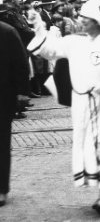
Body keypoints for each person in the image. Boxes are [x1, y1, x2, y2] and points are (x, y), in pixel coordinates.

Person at [27, 0, 100, 214]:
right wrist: (38, 28)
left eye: (86, 17)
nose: (81, 19)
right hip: (82, 104)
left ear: (97, 20)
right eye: (81, 15)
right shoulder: (73, 42)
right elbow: (50, 50)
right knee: (88, 146)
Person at [0, 20, 31, 207]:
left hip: (2, 98)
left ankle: (1, 189)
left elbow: (20, 63)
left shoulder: (7, 32)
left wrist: (22, 92)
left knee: (1, 144)